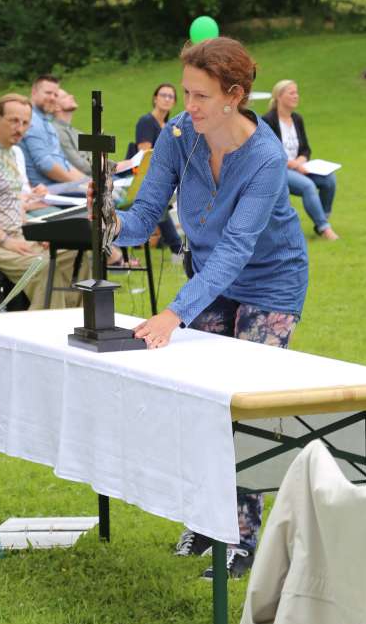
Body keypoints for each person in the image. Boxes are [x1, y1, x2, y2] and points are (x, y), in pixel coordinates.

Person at [101, 37, 309, 578]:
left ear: (234, 96)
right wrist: (110, 223)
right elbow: (147, 212)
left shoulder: (264, 158)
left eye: (199, 95)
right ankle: (205, 519)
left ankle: (242, 538)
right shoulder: (177, 137)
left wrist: (175, 313)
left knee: (245, 404)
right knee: (201, 402)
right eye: (185, 92)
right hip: (210, 277)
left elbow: (239, 248)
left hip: (271, 283)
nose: (186, 106)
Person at [0, 93, 79, 310]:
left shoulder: (12, 152)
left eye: (25, 123)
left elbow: (13, 204)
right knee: (42, 268)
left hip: (14, 235)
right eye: (13, 121)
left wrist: (38, 234)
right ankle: (41, 334)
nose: (19, 128)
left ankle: (73, 321)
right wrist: (4, 240)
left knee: (76, 254)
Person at [262, 81, 338, 241]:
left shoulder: (297, 119)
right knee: (308, 186)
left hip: (299, 167)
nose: (296, 96)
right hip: (279, 170)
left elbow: (305, 148)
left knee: (329, 180)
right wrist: (293, 164)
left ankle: (321, 220)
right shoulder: (268, 120)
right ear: (279, 96)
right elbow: (270, 152)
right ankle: (325, 229)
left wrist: (302, 160)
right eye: (291, 93)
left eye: (296, 92)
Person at [132, 83, 183, 258]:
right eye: (163, 95)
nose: (167, 99)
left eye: (171, 96)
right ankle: (178, 248)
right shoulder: (147, 122)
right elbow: (144, 154)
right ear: (155, 98)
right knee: (159, 203)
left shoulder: (171, 126)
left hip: (166, 175)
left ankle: (175, 245)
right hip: (143, 174)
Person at [19, 74, 89, 192]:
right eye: (48, 93)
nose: (52, 98)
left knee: (110, 190)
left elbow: (64, 162)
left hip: (62, 184)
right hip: (47, 189)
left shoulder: (47, 122)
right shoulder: (31, 120)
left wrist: (88, 181)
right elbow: (45, 164)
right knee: (109, 195)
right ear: (34, 92)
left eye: (55, 94)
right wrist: (79, 184)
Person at [53, 89, 92, 177]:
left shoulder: (76, 132)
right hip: (85, 181)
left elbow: (93, 155)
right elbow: (78, 165)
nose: (72, 96)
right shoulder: (57, 131)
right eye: (65, 97)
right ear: (56, 107)